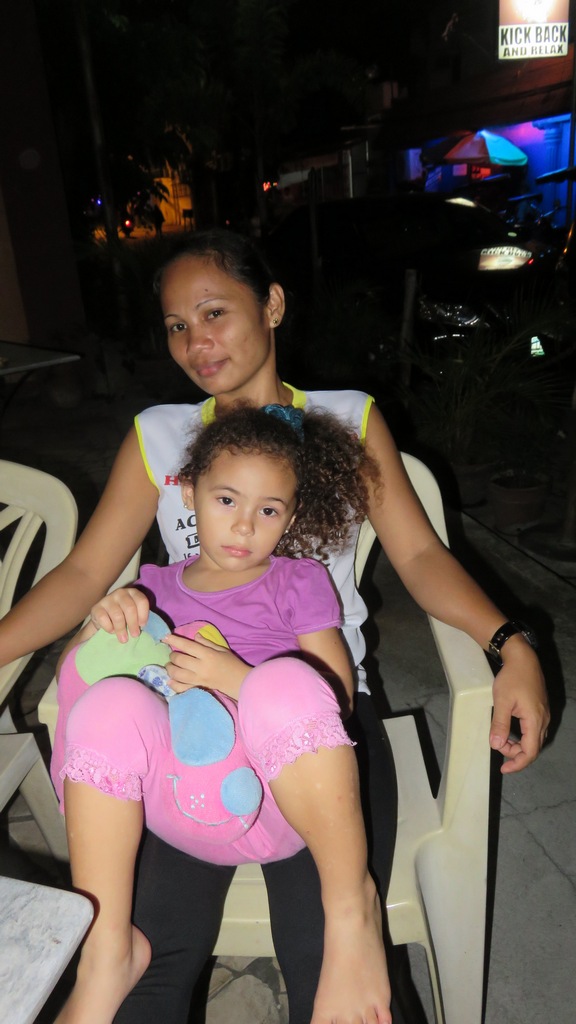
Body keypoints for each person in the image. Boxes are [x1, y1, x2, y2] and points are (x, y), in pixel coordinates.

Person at [0, 229, 549, 1024]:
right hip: (186, 711)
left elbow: (421, 555)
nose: (196, 342)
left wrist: (508, 643)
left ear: (273, 305)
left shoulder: (346, 421)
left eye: (214, 312)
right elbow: (86, 573)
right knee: (146, 955)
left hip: (317, 720)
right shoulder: (160, 435)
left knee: (326, 954)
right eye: (177, 325)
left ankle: (353, 914)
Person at [52, 405, 390, 1024]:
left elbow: (334, 695)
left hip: (285, 797)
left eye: (269, 510)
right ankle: (106, 950)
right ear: (188, 493)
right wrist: (106, 620)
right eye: (227, 500)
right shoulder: (154, 585)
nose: (244, 526)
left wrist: (236, 678)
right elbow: (84, 678)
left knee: (285, 682)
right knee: (108, 700)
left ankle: (351, 909)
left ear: (291, 517)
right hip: (182, 797)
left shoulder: (297, 579)